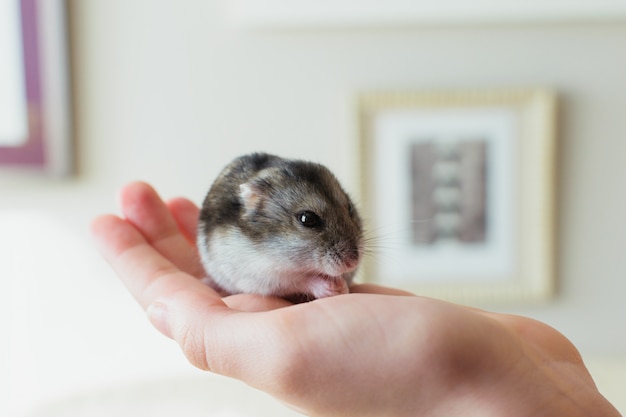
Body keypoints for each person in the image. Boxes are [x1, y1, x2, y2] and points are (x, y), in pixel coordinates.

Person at [91, 181, 621, 417]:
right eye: (311, 223)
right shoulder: (238, 239)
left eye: (349, 219)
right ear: (256, 211)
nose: (348, 249)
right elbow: (257, 277)